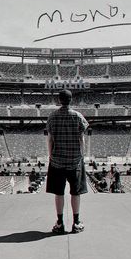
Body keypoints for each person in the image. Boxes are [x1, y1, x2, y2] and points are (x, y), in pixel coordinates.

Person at [46, 89, 89, 234]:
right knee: (75, 193)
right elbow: (81, 139)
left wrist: (50, 155)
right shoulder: (78, 117)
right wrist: (82, 154)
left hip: (57, 161)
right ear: (71, 100)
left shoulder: (52, 117)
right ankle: (76, 223)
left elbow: (50, 139)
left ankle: (60, 223)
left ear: (59, 100)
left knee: (59, 193)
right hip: (74, 161)